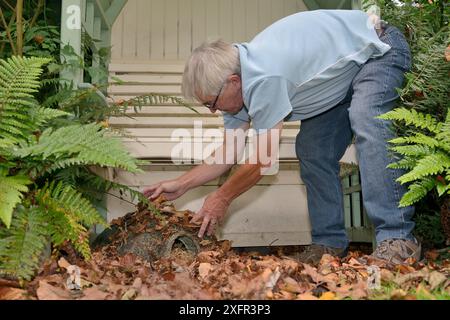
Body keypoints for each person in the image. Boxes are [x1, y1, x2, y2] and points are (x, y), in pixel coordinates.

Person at [143, 9, 421, 265]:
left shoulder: (263, 75)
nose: (214, 110)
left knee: (366, 117)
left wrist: (222, 197)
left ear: (233, 82)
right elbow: (228, 155)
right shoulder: (237, 84)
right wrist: (181, 184)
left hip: (378, 50)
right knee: (312, 149)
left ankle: (398, 238)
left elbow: (262, 162)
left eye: (212, 103)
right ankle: (329, 244)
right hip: (341, 79)